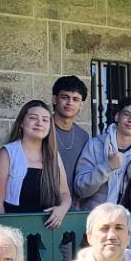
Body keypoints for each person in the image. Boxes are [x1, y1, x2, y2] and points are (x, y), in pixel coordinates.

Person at [0, 100, 70, 230]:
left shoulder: (54, 156)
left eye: (45, 120)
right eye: (33, 118)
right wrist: (4, 234)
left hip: (46, 232)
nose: (39, 123)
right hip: (15, 230)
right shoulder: (7, 154)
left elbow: (64, 193)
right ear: (21, 122)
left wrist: (62, 208)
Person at [74, 95, 131, 208]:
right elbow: (80, 189)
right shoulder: (95, 145)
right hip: (98, 216)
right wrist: (107, 166)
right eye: (127, 115)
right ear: (117, 116)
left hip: (130, 217)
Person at [51, 75, 92, 203]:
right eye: (65, 97)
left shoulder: (83, 136)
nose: (70, 103)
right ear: (54, 99)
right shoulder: (41, 129)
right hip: (42, 204)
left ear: (81, 105)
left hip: (73, 207)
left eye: (75, 99)